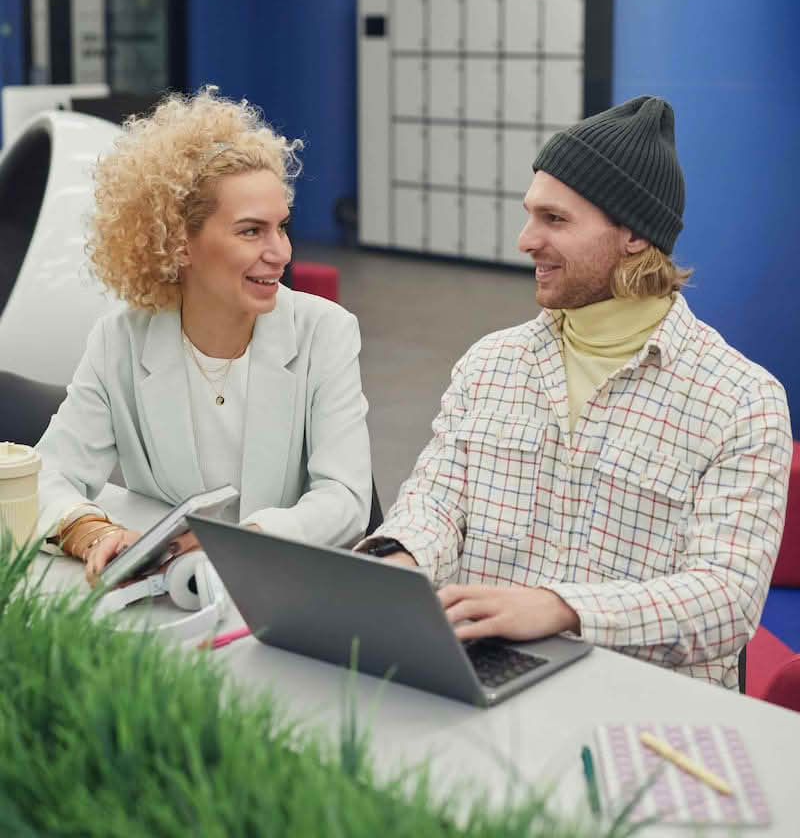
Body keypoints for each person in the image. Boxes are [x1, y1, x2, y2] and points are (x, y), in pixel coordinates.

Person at [361, 96, 793, 690]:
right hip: (484, 676)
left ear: (635, 234)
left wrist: (561, 608)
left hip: (640, 706)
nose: (524, 240)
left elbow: (727, 599)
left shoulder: (741, 401)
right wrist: (397, 561)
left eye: (555, 220)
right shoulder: (492, 363)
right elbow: (436, 503)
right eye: (530, 214)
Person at [36, 87, 372, 582]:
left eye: (283, 227)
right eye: (251, 231)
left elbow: (345, 498)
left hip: (276, 586)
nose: (281, 253)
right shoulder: (120, 341)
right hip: (167, 594)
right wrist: (90, 530)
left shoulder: (326, 332)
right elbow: (50, 472)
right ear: (179, 244)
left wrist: (238, 544)